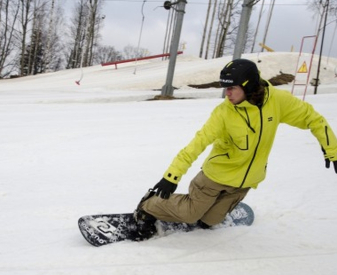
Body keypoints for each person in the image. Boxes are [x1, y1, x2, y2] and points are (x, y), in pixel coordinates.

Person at [131, 58, 337, 241]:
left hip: (244, 183)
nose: (227, 94)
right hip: (214, 178)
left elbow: (312, 118)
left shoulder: (277, 102)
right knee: (190, 214)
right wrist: (171, 176)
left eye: (232, 88)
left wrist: (332, 150)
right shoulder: (223, 113)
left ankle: (211, 211)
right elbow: (197, 144)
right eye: (225, 88)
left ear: (248, 86)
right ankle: (148, 206)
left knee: (208, 222)